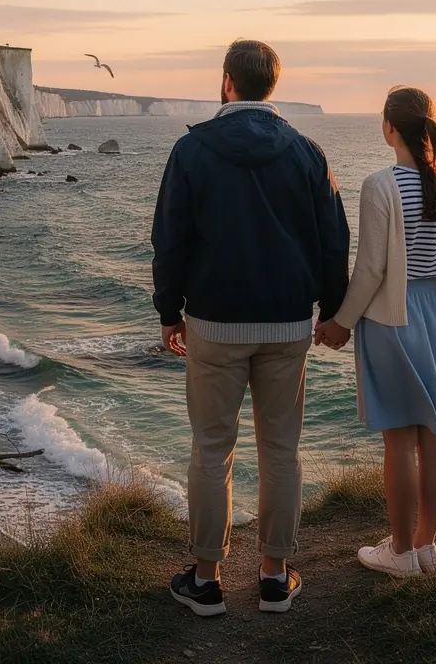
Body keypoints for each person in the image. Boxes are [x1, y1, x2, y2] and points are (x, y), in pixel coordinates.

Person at [152, 39, 350, 616]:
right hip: (288, 322)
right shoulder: (307, 152)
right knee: (281, 449)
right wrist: (332, 310)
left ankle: (207, 579)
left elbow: (171, 240)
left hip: (213, 321)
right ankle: (273, 575)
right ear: (273, 86)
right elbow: (332, 242)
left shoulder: (192, 150)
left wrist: (169, 312)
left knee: (213, 449)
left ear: (226, 82)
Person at [315, 86, 436, 577]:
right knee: (432, 436)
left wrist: (339, 324)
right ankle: (425, 546)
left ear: (389, 126)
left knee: (399, 441)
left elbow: (369, 271)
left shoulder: (381, 184)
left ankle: (401, 552)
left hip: (394, 315)